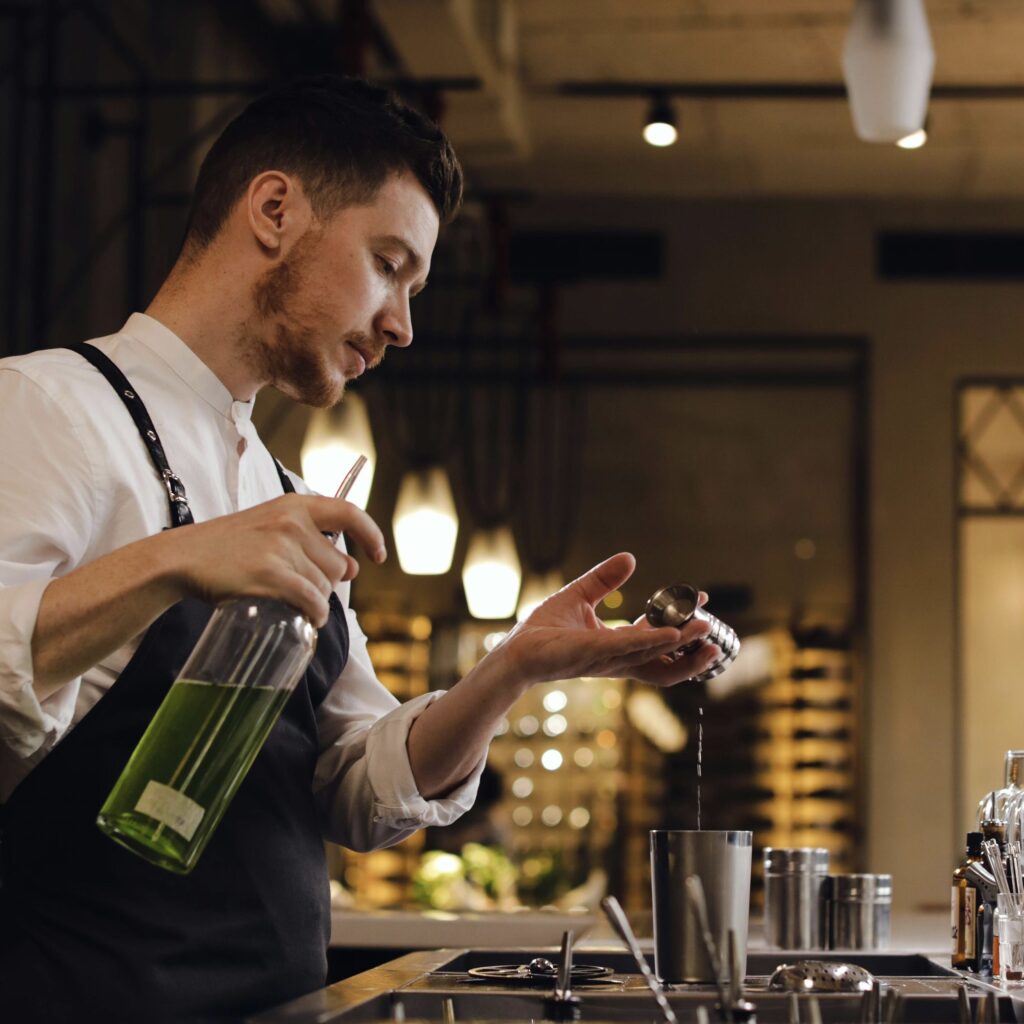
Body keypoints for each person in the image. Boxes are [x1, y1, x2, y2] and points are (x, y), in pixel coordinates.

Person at [0, 76, 720, 1023]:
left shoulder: (284, 496)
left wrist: (514, 669)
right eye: (388, 265)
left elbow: (357, 786)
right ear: (273, 210)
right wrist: (176, 560)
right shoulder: (49, 407)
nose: (403, 325)